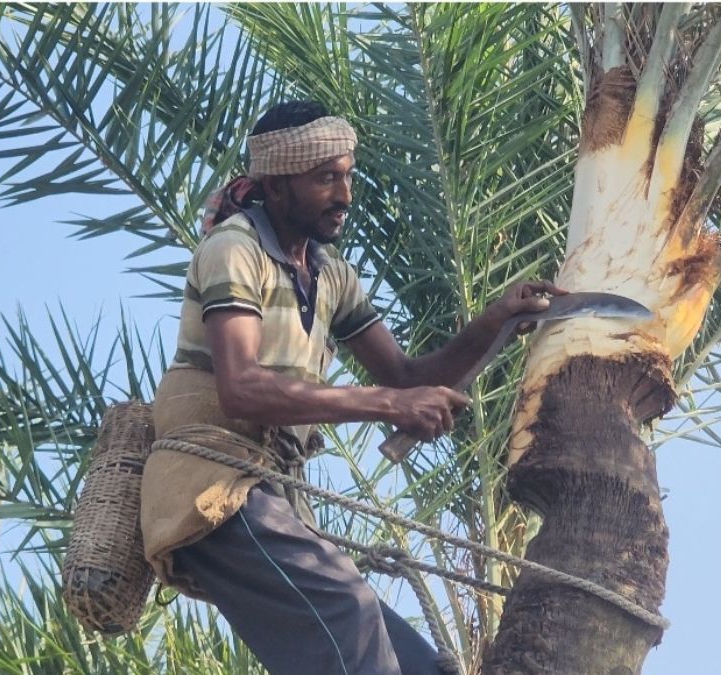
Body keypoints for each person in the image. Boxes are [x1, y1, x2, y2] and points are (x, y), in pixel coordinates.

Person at [140, 100, 565, 675]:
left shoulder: (330, 274)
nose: (344, 194)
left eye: (347, 176)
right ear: (278, 185)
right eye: (325, 179)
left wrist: (495, 322)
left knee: (418, 665)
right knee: (348, 612)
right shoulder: (234, 250)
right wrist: (390, 405)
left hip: (272, 497)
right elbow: (240, 388)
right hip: (213, 491)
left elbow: (409, 378)